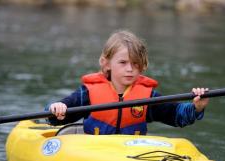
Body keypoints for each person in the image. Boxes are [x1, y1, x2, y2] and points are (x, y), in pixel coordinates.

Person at [47, 30, 209, 135]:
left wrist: (196, 107)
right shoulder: (88, 93)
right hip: (94, 153)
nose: (130, 69)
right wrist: (57, 109)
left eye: (135, 63)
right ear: (106, 63)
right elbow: (56, 115)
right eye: (123, 63)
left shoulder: (148, 96)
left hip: (130, 155)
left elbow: (176, 115)